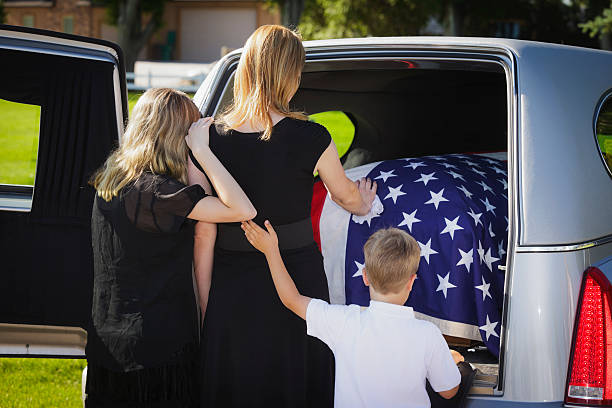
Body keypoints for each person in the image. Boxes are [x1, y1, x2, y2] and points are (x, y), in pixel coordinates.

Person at [190, 25, 377, 407]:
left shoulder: (207, 139)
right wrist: (364, 199)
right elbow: (347, 198)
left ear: (247, 68)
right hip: (298, 277)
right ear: (291, 74)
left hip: (230, 280)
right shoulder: (313, 136)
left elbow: (203, 233)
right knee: (296, 379)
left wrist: (204, 301)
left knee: (237, 383)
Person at [85, 88, 256, 408]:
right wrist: (203, 152)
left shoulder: (115, 179)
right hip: (156, 353)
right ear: (177, 137)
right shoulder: (160, 194)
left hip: (107, 345)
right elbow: (242, 210)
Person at [242, 222, 467, 408]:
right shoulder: (428, 334)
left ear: (365, 277)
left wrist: (271, 251)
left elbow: (291, 300)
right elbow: (448, 392)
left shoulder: (343, 322)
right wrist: (455, 364)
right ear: (411, 282)